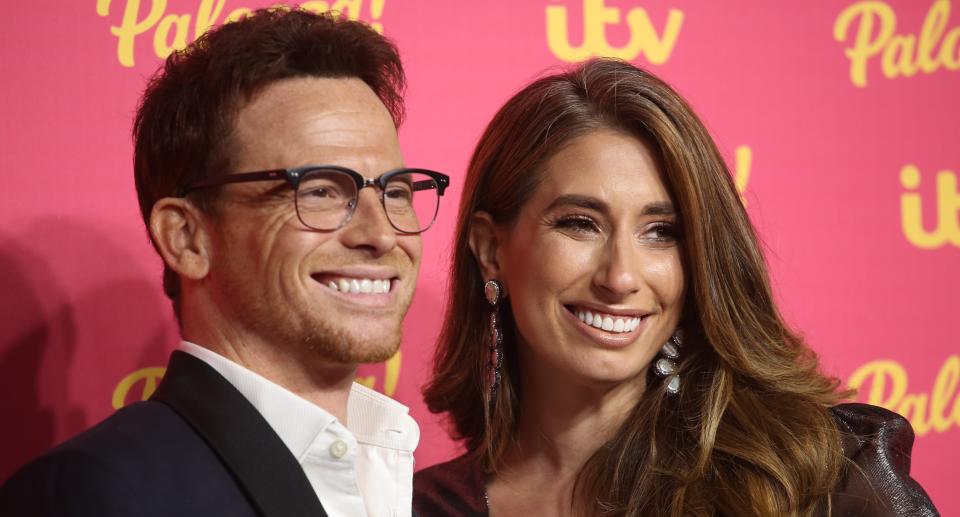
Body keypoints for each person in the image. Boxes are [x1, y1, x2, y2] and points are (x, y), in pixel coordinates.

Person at [413, 58, 938, 517]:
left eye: (662, 232)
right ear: (490, 248)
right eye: (579, 223)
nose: (620, 277)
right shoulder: (409, 506)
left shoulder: (822, 478)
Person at [0, 8, 449, 517]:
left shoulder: (401, 477)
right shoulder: (95, 494)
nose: (382, 233)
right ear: (188, 238)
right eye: (321, 190)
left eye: (394, 191)